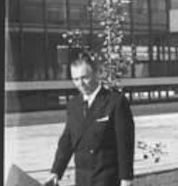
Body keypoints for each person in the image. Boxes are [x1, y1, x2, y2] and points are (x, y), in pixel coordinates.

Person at [44, 53, 135, 186]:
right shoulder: (73, 105)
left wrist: (126, 179)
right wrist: (56, 171)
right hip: (82, 180)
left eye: (85, 77)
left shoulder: (116, 102)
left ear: (96, 73)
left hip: (108, 179)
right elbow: (67, 140)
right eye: (75, 79)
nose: (80, 84)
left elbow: (125, 145)